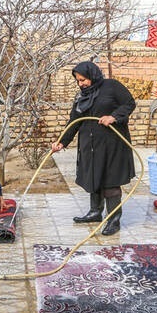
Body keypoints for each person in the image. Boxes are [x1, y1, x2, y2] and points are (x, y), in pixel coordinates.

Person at [51, 61, 136, 236]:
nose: (81, 83)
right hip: (90, 146)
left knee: (111, 182)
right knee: (94, 177)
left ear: (93, 75)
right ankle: (95, 212)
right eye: (78, 80)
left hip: (112, 145)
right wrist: (62, 142)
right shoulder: (81, 96)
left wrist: (113, 116)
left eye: (83, 79)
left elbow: (129, 103)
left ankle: (114, 219)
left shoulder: (111, 86)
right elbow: (73, 121)